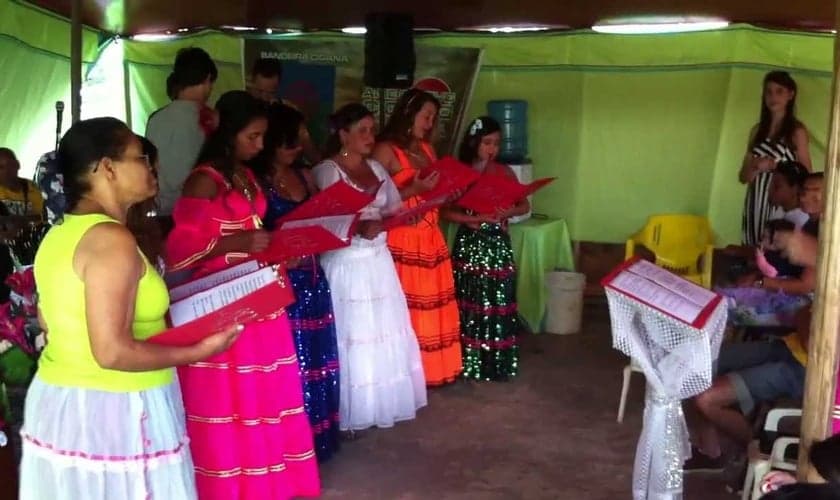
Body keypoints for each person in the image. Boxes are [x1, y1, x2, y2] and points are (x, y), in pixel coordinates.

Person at [19, 117, 240, 500]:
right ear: (107, 168)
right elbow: (112, 351)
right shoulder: (110, 240)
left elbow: (49, 323)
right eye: (141, 158)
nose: (153, 167)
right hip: (117, 407)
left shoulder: (61, 233)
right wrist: (200, 351)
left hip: (68, 400)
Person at [165, 91, 320, 499]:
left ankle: (265, 478)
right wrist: (235, 242)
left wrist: (275, 246)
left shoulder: (246, 176)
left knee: (264, 392)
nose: (258, 145)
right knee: (231, 396)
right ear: (228, 132)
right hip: (222, 295)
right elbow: (179, 253)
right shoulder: (203, 181)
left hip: (257, 292)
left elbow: (252, 231)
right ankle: (234, 485)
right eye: (252, 136)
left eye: (262, 136)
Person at [312, 103, 426, 432]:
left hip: (377, 260)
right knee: (354, 332)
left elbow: (392, 207)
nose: (368, 136)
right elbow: (323, 222)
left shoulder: (376, 168)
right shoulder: (327, 170)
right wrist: (357, 228)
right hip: (347, 264)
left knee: (380, 331)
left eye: (371, 130)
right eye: (360, 130)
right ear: (342, 134)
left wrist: (402, 216)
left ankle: (376, 403)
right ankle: (352, 408)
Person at [251, 103, 340, 462]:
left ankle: (320, 441)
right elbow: (252, 237)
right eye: (289, 143)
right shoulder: (254, 184)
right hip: (283, 284)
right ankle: (292, 447)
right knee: (293, 366)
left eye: (300, 142)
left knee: (320, 362)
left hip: (315, 278)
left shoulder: (305, 176)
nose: (297, 149)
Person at [372, 88, 463, 387]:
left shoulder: (427, 150)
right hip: (402, 239)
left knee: (431, 309)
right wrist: (413, 191)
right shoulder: (385, 150)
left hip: (430, 236)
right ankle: (405, 376)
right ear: (408, 115)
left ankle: (430, 372)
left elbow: (433, 193)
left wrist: (448, 192)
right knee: (406, 310)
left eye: (433, 118)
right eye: (426, 116)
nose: (429, 123)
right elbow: (371, 200)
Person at [444, 116, 529, 381]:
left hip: (497, 244)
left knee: (497, 301)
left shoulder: (504, 172)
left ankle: (495, 363)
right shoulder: (460, 171)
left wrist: (508, 210)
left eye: (497, 143)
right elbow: (446, 211)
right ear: (474, 142)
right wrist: (474, 219)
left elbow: (524, 205)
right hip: (470, 244)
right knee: (470, 301)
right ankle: (468, 361)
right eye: (487, 142)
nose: (492, 149)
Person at [685, 305, 812, 472]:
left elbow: (812, 344)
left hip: (807, 373)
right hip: (789, 347)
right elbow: (802, 313)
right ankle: (710, 453)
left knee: (706, 399)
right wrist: (809, 328)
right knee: (696, 362)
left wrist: (810, 328)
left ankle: (757, 453)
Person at [146, 47, 218, 230]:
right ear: (207, 79)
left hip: (160, 212)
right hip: (198, 213)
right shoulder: (210, 119)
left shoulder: (155, 118)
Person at [740, 71, 812, 247]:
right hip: (755, 202)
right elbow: (743, 177)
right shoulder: (757, 131)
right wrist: (755, 166)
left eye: (779, 91)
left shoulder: (796, 131)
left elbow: (806, 174)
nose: (773, 96)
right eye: (769, 91)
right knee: (752, 249)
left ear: (791, 95)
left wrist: (775, 165)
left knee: (773, 251)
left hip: (781, 204)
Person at [247, 57, 320, 165]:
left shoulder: (289, 113)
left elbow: (310, 151)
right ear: (251, 82)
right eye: (259, 91)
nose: (264, 97)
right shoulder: (242, 109)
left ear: (278, 86)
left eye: (270, 92)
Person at [0, 148, 44, 219]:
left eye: (10, 165)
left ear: (18, 165)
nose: (7, 171)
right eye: (1, 167)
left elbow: (41, 219)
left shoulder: (34, 189)